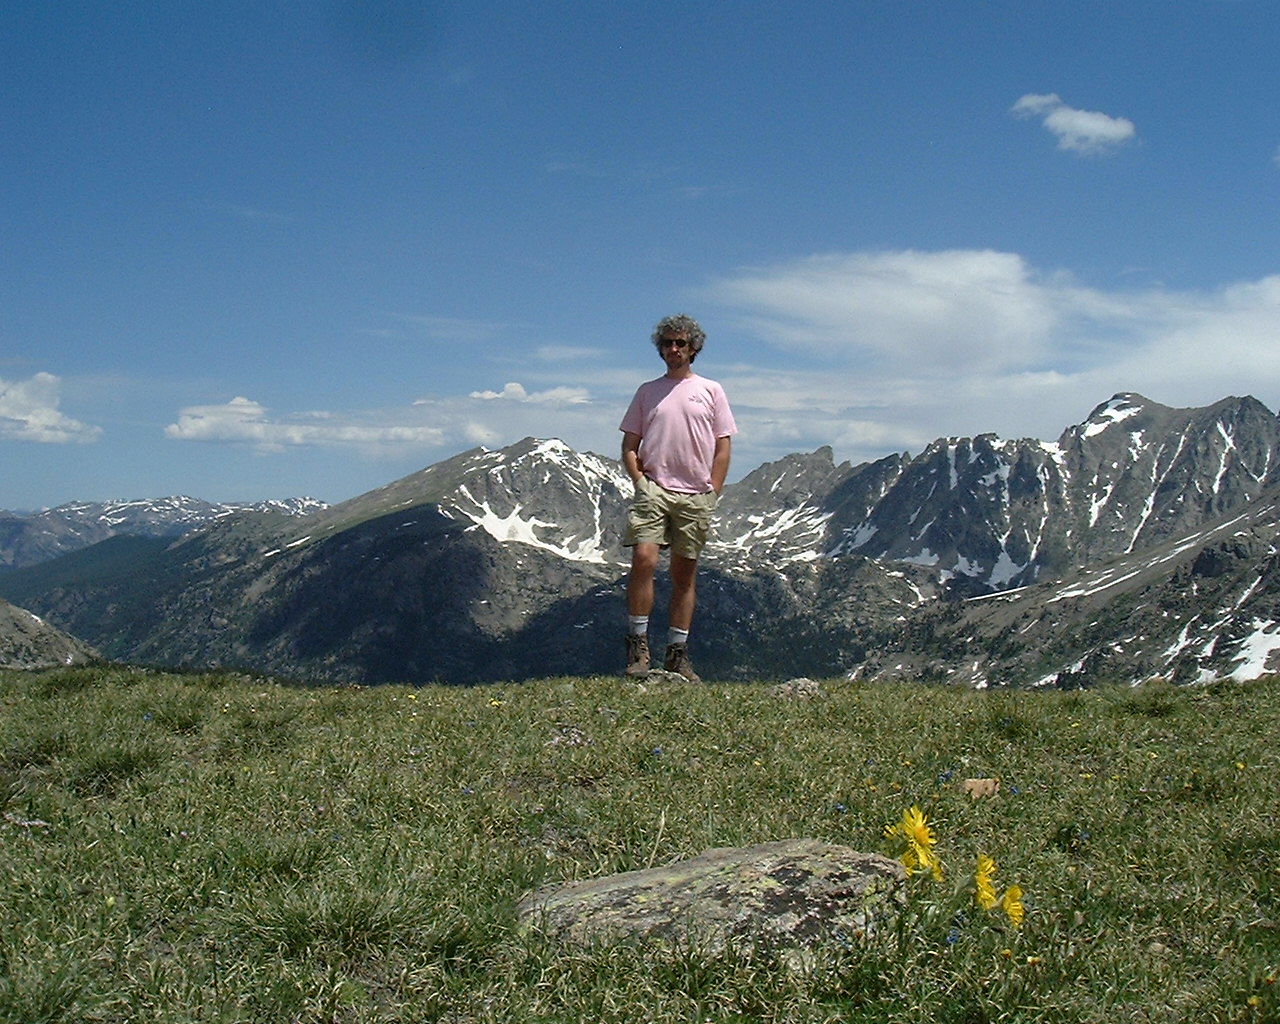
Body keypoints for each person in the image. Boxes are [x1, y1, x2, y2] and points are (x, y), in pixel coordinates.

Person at [619, 313, 737, 681]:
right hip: (654, 488)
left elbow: (723, 446)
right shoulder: (647, 391)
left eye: (681, 343)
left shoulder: (711, 390)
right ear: (661, 349)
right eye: (668, 343)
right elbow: (629, 445)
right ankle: (638, 646)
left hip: (696, 494)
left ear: (693, 348)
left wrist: (713, 491)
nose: (674, 349)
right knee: (644, 559)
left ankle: (677, 654)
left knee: (684, 575)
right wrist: (641, 482)